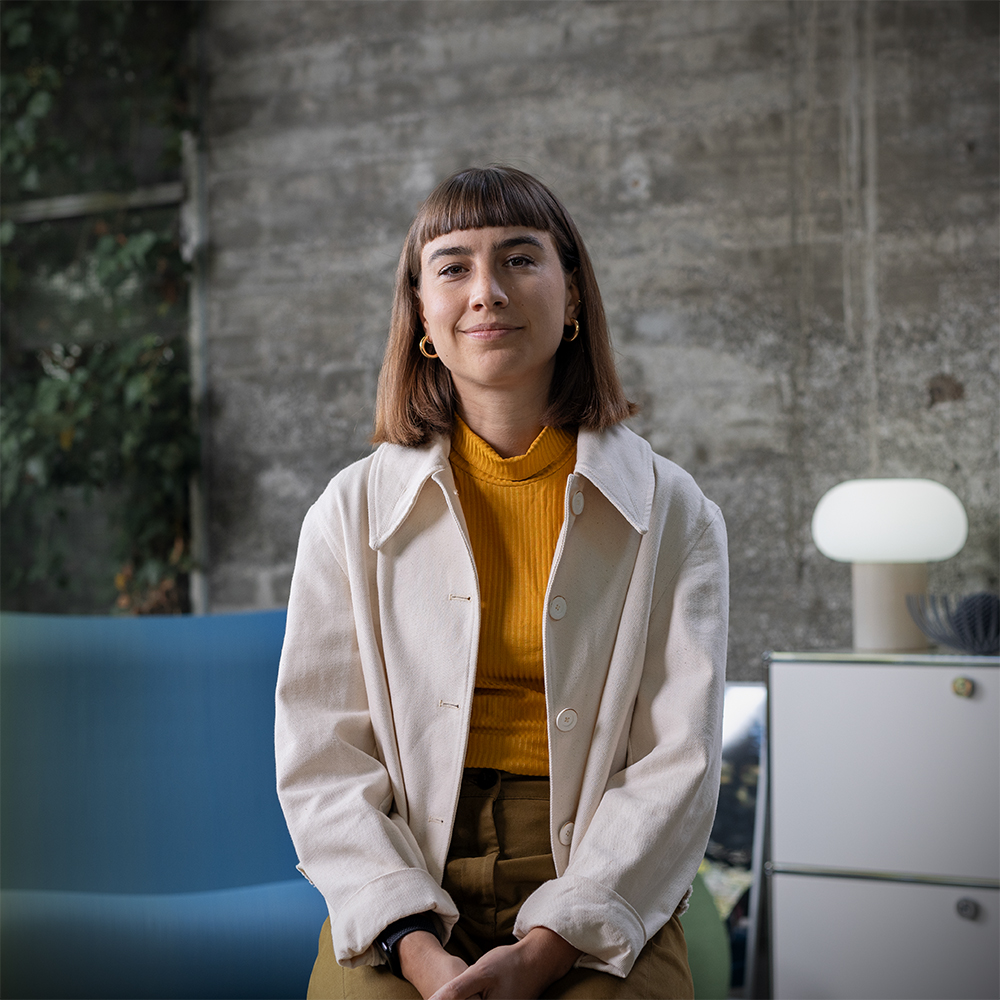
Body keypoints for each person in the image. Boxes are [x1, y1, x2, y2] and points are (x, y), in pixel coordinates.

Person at [275, 165, 729, 1000]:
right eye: (452, 267)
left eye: (520, 259)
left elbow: (681, 762)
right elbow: (324, 762)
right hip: (407, 879)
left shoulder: (675, 511)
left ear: (575, 297)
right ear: (422, 314)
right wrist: (412, 942)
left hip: (598, 872)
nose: (486, 291)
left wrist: (555, 942)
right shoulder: (349, 510)